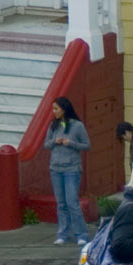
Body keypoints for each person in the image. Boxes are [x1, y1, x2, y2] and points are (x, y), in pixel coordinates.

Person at [45, 96, 91, 245]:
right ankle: (62, 234)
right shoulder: (53, 124)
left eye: (56, 109)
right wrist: (54, 141)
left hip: (72, 168)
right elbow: (46, 145)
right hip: (55, 168)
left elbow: (86, 145)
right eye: (53, 109)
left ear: (64, 109)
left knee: (72, 202)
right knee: (61, 203)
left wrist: (70, 143)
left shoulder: (77, 125)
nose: (54, 112)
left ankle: (81, 234)